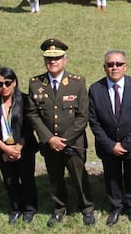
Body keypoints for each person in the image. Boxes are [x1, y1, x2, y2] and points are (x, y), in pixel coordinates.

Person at [25, 39, 95, 227]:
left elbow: (83, 116)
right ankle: (59, 208)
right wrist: (49, 139)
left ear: (65, 60)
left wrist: (65, 139)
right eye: (49, 58)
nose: (53, 62)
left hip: (73, 142)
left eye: (57, 58)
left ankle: (87, 208)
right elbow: (32, 114)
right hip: (49, 144)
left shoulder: (77, 83)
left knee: (79, 177)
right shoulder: (35, 84)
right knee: (55, 178)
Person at [88, 51, 131, 226]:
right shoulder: (95, 89)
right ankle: (116, 206)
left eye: (118, 64)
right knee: (112, 177)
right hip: (108, 146)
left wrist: (127, 144)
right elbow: (94, 121)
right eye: (110, 64)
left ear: (125, 66)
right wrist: (110, 145)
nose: (114, 67)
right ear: (104, 67)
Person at [0, 68, 38, 224]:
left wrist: (19, 147)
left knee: (27, 179)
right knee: (10, 180)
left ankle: (29, 208)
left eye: (7, 83)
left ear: (14, 82)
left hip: (24, 148)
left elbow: (29, 126)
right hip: (3, 150)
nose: (4, 87)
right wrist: (5, 148)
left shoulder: (25, 100)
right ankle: (15, 208)